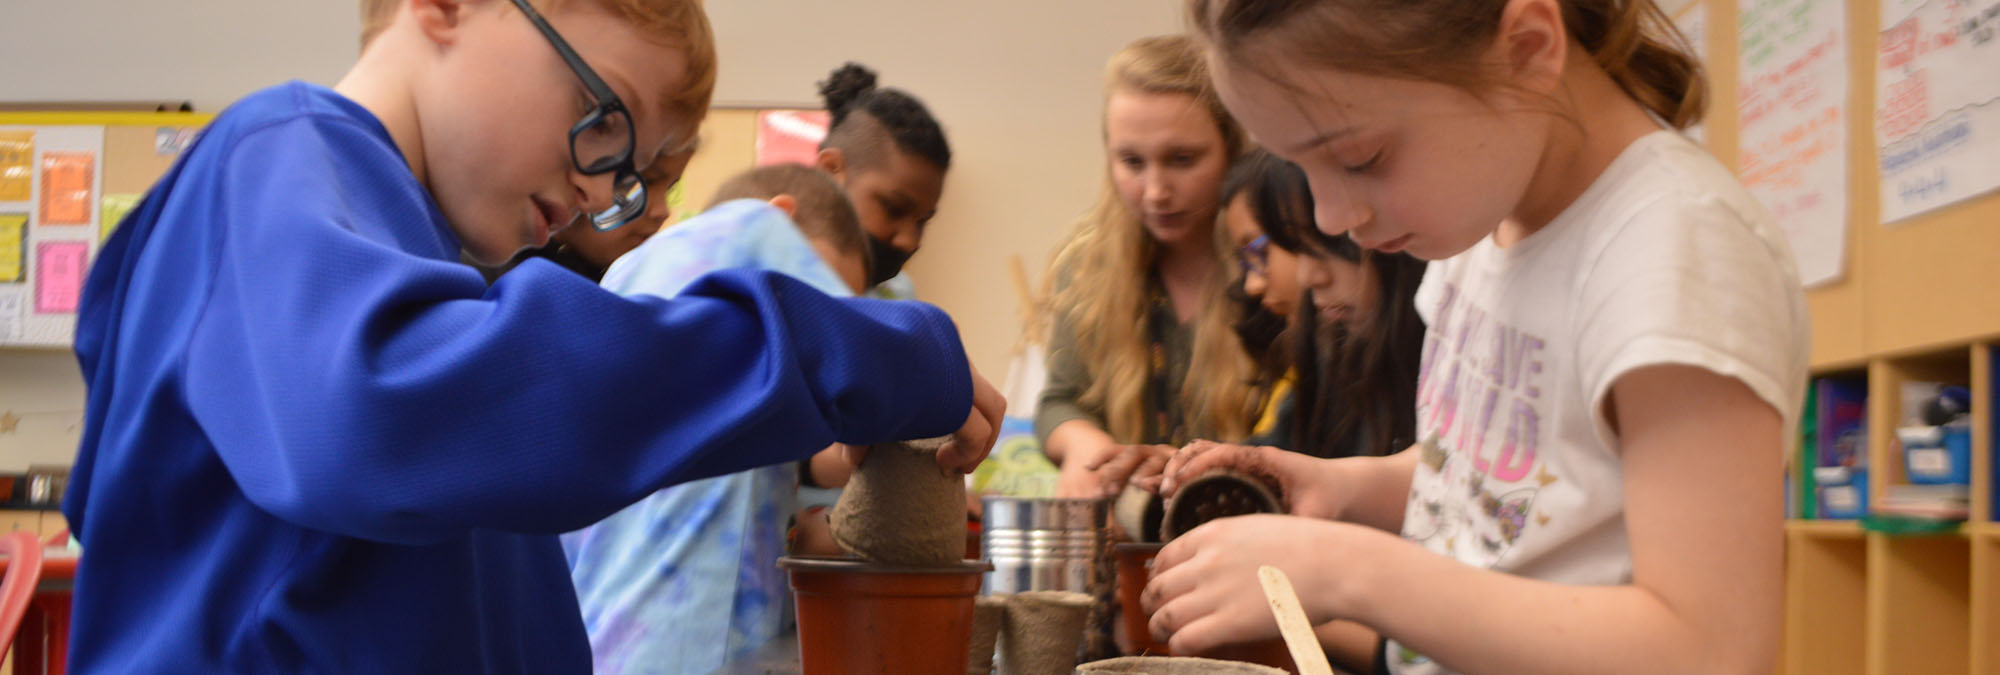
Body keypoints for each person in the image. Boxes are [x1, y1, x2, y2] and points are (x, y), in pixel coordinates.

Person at [65, 0, 1003, 670]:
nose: (601, 194)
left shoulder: (431, 272)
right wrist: (865, 354)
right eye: (603, 121)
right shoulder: (273, 160)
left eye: (630, 174)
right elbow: (395, 413)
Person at [1145, 1, 1808, 673]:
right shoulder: (1486, 217)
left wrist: (1348, 570)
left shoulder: (1679, 252)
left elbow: (1710, 649)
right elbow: (1491, 480)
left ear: (1526, 50)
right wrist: (1345, 488)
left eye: (1359, 156)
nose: (1332, 215)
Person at [563, 164, 872, 674]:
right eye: (825, 285)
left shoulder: (627, 280)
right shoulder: (751, 229)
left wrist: (802, 524)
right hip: (676, 652)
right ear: (779, 219)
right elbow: (863, 353)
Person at [1036, 35, 1259, 499]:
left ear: (1232, 148)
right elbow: (1059, 402)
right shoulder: (1086, 264)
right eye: (1132, 162)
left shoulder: (1272, 265)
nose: (1155, 191)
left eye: (1183, 160)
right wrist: (1087, 448)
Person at [1217, 150, 1427, 460]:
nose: (1309, 276)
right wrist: (1183, 469)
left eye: (1328, 238)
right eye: (1296, 247)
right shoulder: (1332, 352)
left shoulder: (1443, 361)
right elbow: (1282, 455)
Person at [810, 62, 951, 299]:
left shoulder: (898, 295)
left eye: (922, 221)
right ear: (830, 171)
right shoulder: (759, 276)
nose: (909, 241)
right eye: (892, 208)